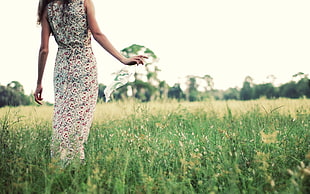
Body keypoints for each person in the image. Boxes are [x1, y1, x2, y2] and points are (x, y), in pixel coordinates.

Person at [34, 0, 147, 165]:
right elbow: (98, 34)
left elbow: (44, 49)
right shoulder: (84, 2)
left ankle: (60, 160)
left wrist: (39, 82)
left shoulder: (47, 9)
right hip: (85, 66)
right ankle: (75, 163)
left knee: (63, 114)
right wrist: (123, 59)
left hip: (62, 68)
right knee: (81, 115)